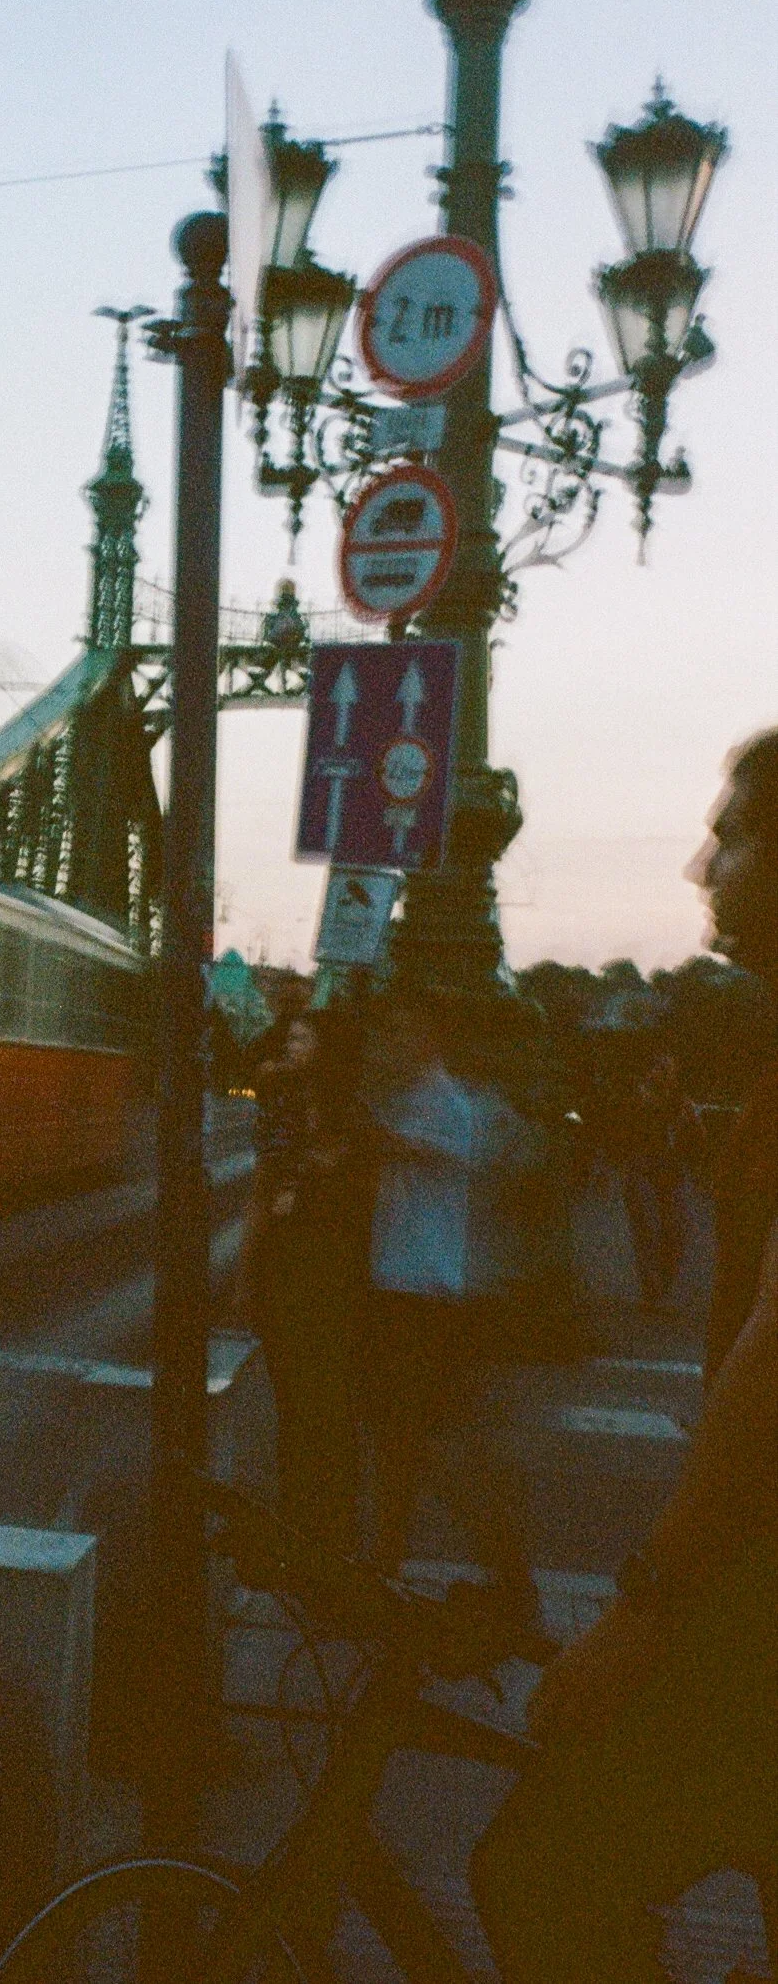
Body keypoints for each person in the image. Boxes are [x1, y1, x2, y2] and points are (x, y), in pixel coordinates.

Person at [470, 729, 778, 1982]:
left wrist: (646, 1606)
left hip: (748, 1608)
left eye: (740, 829)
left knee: (540, 1870)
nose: (704, 858)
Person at [361, 991, 544, 1631]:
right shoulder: (424, 1097)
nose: (391, 1041)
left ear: (433, 1038)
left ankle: (504, 1577)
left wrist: (353, 1120)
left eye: (403, 1029)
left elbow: (409, 1150)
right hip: (411, 1288)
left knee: (431, 1444)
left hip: (429, 1296)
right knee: (408, 1438)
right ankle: (393, 1554)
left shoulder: (447, 1102)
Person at [241, 1007, 371, 1556]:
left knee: (313, 1401)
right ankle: (314, 1523)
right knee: (308, 1401)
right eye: (291, 1036)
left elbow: (269, 1190)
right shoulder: (294, 1105)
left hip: (315, 1265)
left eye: (305, 1038)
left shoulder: (338, 1109)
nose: (295, 1046)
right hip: (305, 1264)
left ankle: (311, 1524)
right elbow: (267, 1189)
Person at [623, 1046, 699, 1308]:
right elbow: (620, 1130)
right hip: (640, 1168)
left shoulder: (682, 1103)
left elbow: (697, 1141)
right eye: (661, 1068)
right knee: (648, 1228)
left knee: (675, 1232)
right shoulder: (637, 1097)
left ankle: (662, 1281)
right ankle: (652, 1286)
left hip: (671, 1172)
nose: (666, 1074)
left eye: (670, 1070)